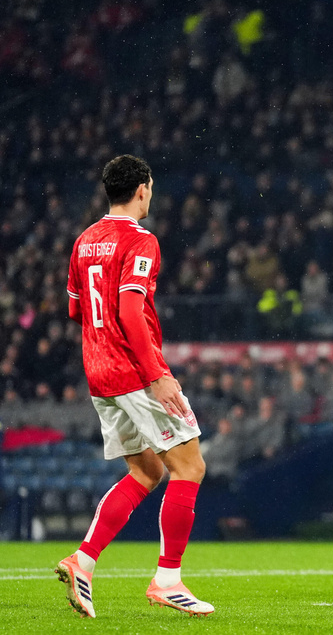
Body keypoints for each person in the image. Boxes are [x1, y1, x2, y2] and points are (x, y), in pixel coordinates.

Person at [57, 155, 213, 618]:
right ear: (143, 189)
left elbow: (76, 311)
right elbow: (128, 310)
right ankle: (168, 579)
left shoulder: (84, 240)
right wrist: (156, 375)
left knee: (147, 472)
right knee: (190, 467)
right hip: (133, 370)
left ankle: (82, 561)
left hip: (99, 371)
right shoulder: (141, 240)